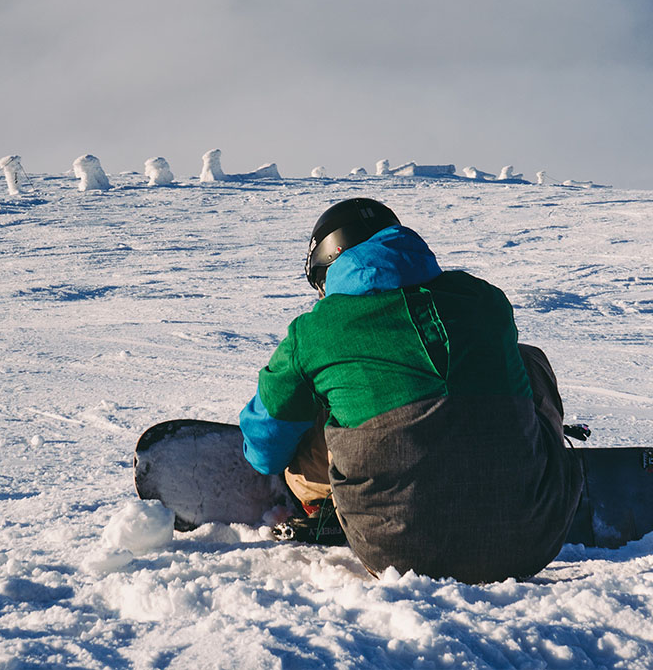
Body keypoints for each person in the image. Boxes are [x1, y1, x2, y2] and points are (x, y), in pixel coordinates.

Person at [239, 197, 583, 583]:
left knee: (314, 399)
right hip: (531, 540)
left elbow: (266, 452)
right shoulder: (486, 300)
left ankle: (326, 505)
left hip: (394, 551)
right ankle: (533, 460)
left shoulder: (313, 331)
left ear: (331, 265)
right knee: (526, 359)